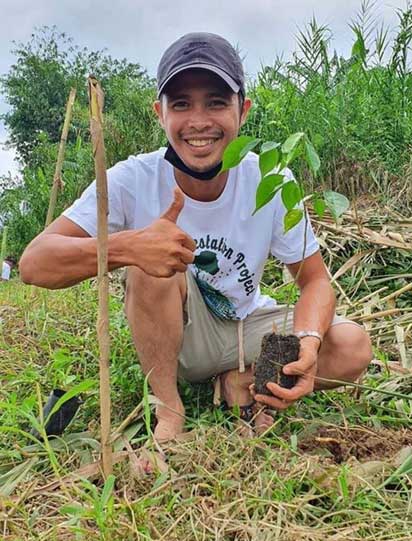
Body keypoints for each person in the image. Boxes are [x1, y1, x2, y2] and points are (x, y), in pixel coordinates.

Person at [19, 32, 372, 444]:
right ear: (159, 113)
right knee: (151, 267)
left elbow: (314, 281)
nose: (199, 121)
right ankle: (169, 408)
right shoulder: (132, 180)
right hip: (183, 338)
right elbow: (33, 263)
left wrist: (309, 343)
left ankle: (239, 381)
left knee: (352, 347)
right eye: (181, 104)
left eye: (217, 102)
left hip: (247, 327)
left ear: (243, 111)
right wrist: (129, 247)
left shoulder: (270, 178)